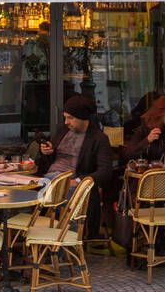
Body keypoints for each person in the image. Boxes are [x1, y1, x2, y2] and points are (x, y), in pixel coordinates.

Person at [28, 94, 113, 236]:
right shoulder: (64, 131)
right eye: (65, 117)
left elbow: (105, 172)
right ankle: (48, 241)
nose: (66, 122)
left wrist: (78, 181)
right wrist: (47, 152)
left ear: (83, 118)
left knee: (64, 192)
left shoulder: (98, 139)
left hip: (72, 181)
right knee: (43, 186)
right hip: (51, 178)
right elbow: (50, 160)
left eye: (70, 118)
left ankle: (58, 243)